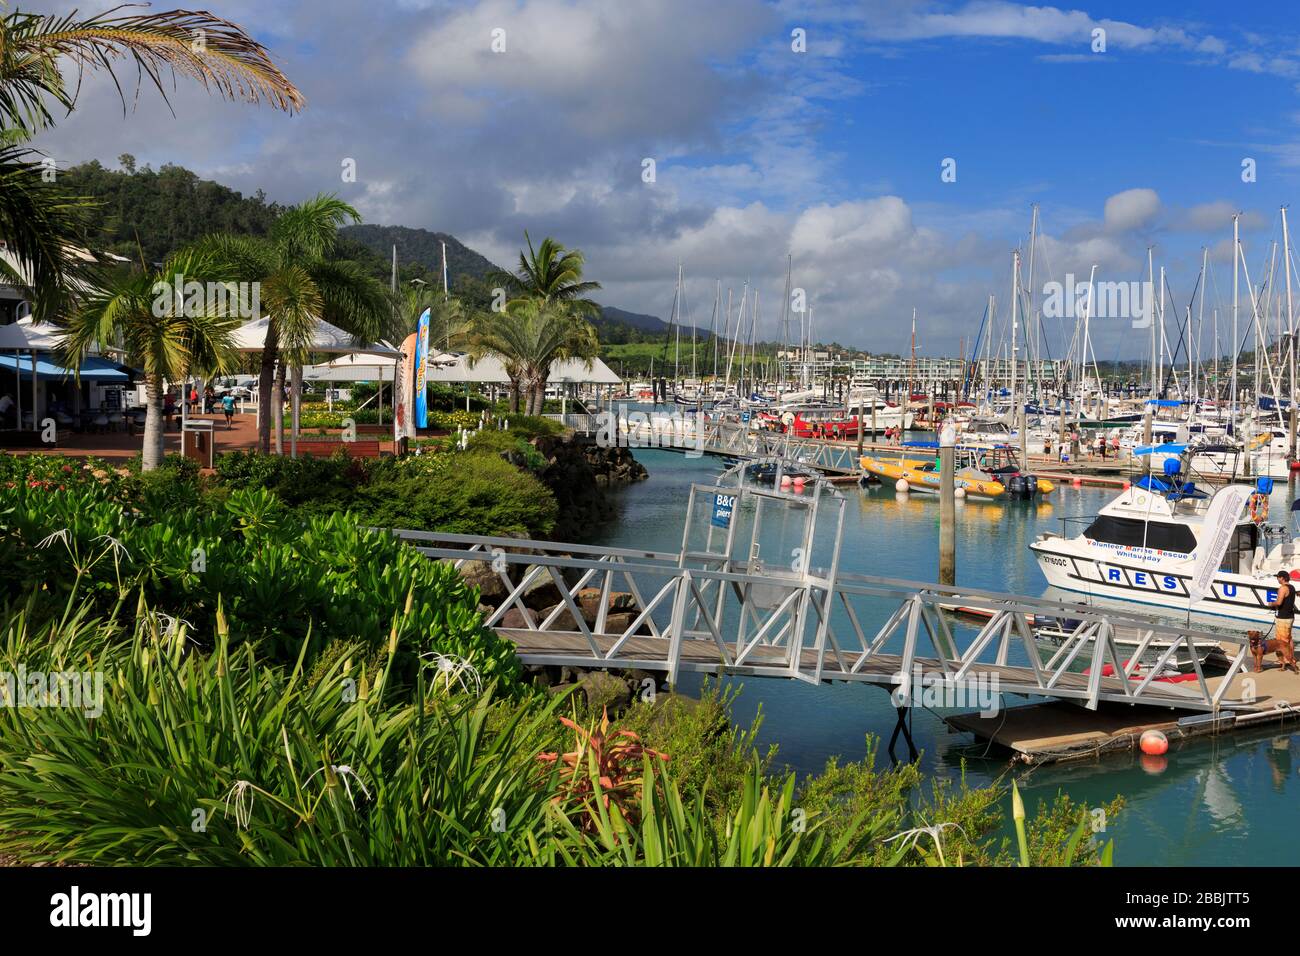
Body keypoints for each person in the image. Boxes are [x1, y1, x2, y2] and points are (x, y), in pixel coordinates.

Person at [1267, 571, 1300, 673]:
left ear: (1282, 578)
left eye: (1278, 577)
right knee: (1289, 638)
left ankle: (1285, 661)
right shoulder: (1292, 587)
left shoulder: (1282, 588)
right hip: (1290, 616)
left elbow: (1279, 602)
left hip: (1283, 618)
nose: (1277, 579)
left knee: (1281, 642)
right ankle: (1291, 657)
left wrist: (1271, 604)